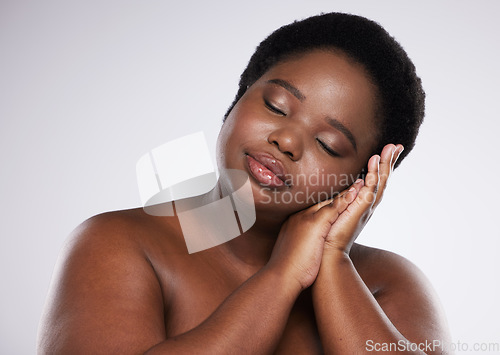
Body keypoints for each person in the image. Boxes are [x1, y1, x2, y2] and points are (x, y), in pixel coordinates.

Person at [37, 12, 451, 354]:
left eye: (328, 143)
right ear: (238, 97)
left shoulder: (387, 283)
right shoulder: (118, 243)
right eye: (276, 105)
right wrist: (283, 274)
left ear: (365, 179)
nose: (286, 141)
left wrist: (331, 258)